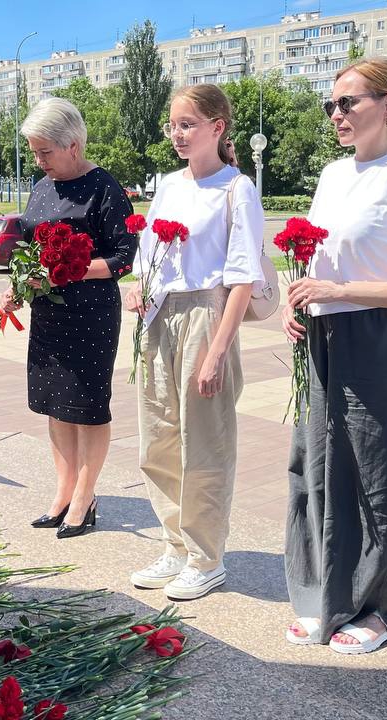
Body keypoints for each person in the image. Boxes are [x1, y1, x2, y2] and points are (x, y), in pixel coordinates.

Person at [282, 58, 387, 654]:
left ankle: (379, 611)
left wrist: (339, 291)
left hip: (377, 340)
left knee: (377, 479)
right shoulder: (332, 174)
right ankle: (323, 596)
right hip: (322, 337)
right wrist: (297, 298)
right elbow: (322, 257)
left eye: (348, 102)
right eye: (332, 104)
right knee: (317, 468)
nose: (336, 114)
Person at [123, 85, 265, 601]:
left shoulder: (236, 187)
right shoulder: (167, 184)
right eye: (173, 124)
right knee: (158, 437)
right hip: (160, 315)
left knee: (205, 442)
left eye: (188, 124)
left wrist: (218, 351)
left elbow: (244, 274)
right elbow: (148, 251)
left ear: (217, 127)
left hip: (208, 312)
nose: (178, 134)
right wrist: (138, 283)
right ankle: (175, 546)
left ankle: (206, 557)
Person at [0, 98, 137, 539]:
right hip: (48, 314)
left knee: (88, 407)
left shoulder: (104, 188)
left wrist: (70, 268)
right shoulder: (43, 187)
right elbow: (27, 246)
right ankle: (63, 491)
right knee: (56, 405)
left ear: (73, 145)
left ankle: (86, 494)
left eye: (45, 153)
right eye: (36, 152)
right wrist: (19, 286)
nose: (39, 162)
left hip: (91, 313)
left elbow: (123, 257)